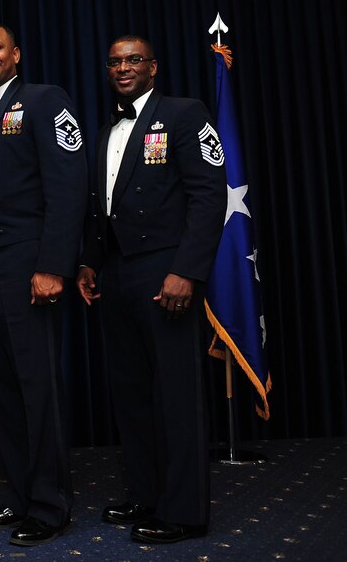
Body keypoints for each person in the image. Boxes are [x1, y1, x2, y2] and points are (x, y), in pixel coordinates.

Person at [76, 35, 227, 544]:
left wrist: (187, 270)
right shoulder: (104, 131)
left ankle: (183, 512)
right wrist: (89, 264)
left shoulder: (185, 113)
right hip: (117, 274)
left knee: (176, 395)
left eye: (133, 59)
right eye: (115, 60)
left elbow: (210, 197)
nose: (123, 67)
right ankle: (146, 494)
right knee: (132, 393)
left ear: (153, 67)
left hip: (167, 273)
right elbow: (104, 208)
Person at [0, 24, 87, 546]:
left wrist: (54, 265)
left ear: (16, 54)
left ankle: (51, 506)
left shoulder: (45, 100)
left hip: (28, 265)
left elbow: (68, 183)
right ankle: (21, 496)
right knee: (5, 391)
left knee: (37, 390)